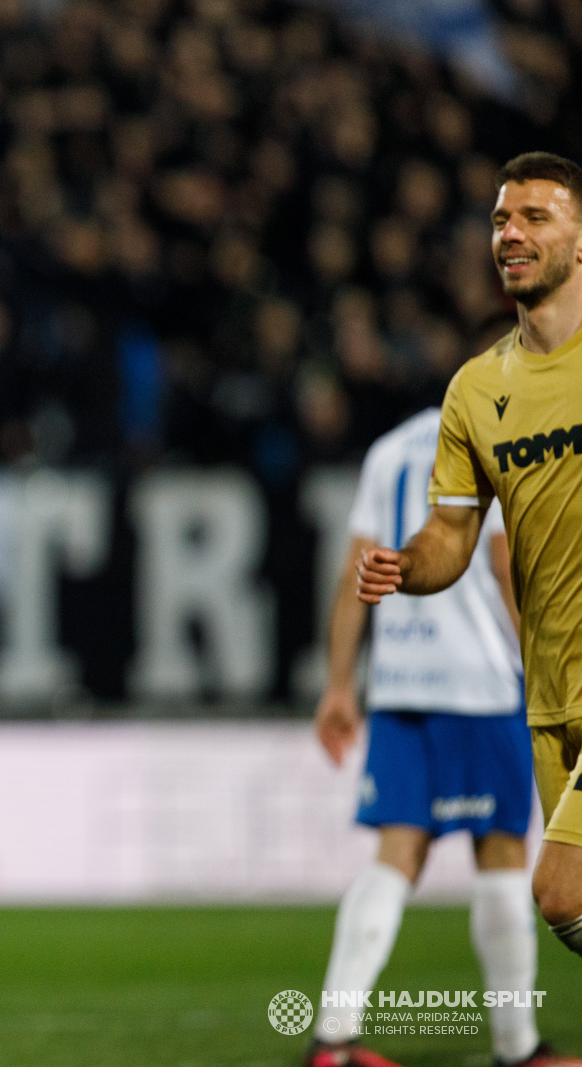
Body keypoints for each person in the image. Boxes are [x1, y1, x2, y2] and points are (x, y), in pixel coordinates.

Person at [358, 152, 582, 966]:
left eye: (535, 217)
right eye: (500, 219)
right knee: (570, 910)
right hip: (551, 692)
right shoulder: (476, 389)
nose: (511, 233)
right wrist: (405, 565)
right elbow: (452, 535)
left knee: (560, 888)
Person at [309, 408, 573, 1067]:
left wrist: (341, 683)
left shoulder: (388, 447)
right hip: (482, 682)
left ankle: (332, 1038)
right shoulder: (505, 434)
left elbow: (353, 572)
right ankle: (518, 1047)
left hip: (401, 679)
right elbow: (507, 563)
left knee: (396, 852)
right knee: (504, 851)